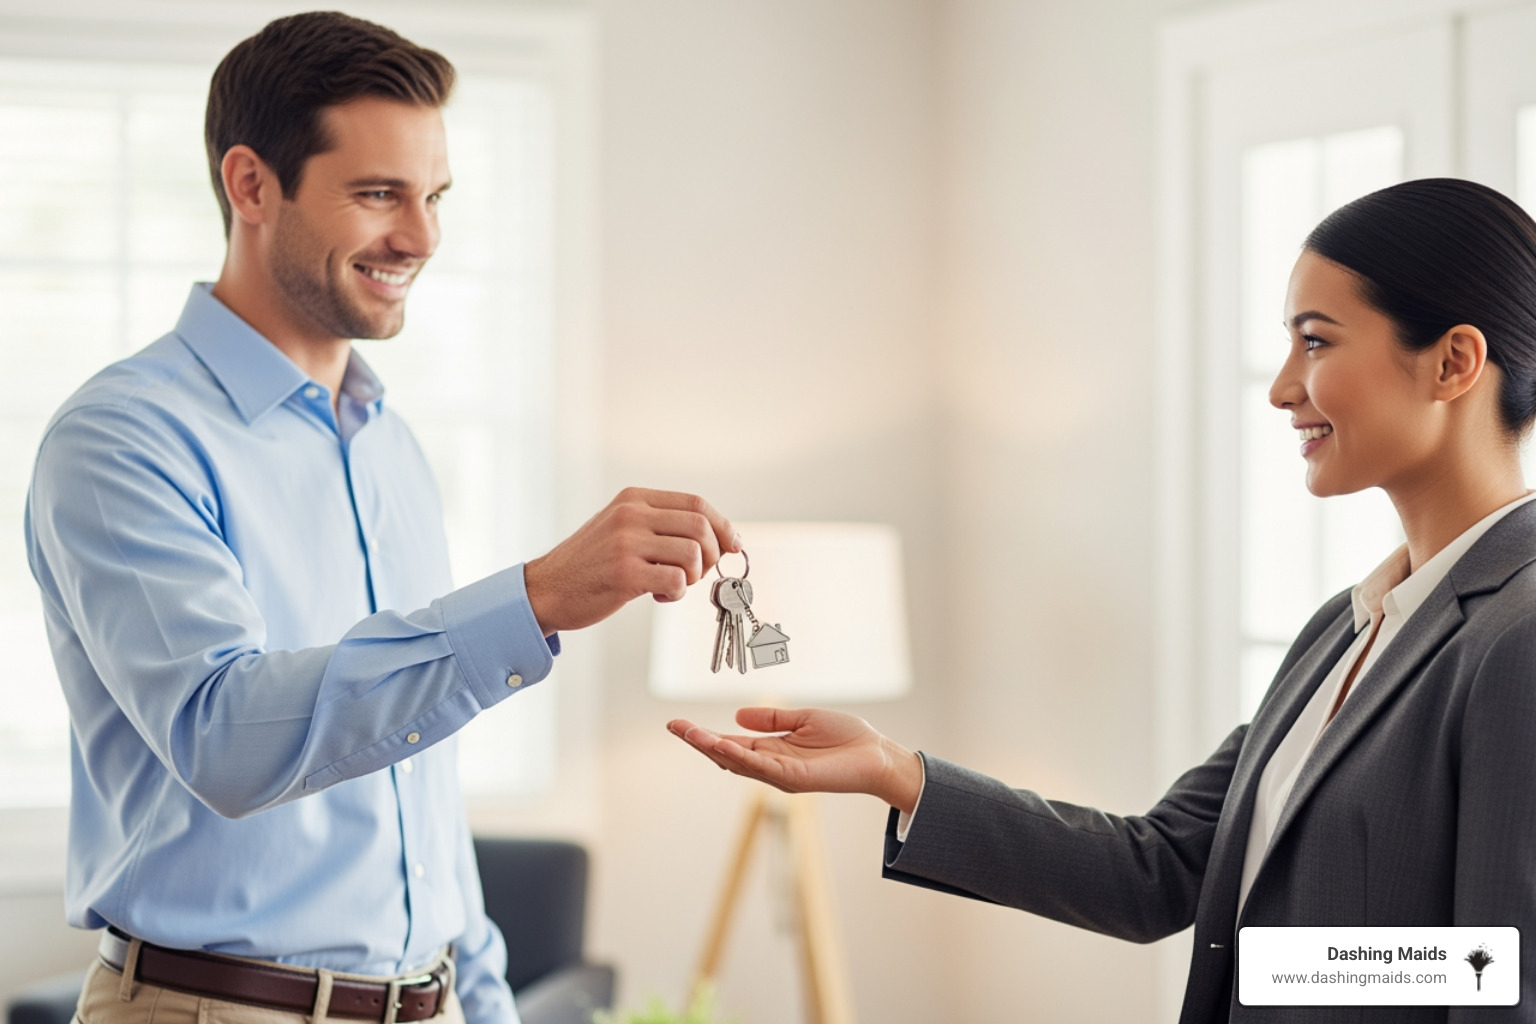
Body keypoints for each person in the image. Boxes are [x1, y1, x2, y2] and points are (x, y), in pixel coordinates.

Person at [669, 177, 1536, 1023]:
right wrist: (895, 772)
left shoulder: (1520, 637)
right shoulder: (1347, 629)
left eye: (1315, 341)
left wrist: (1267, 963)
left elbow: (1498, 975)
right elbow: (1155, 868)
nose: (1280, 386)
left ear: (1453, 362)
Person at [24, 12, 737, 1024]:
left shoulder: (391, 447)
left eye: (434, 196)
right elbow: (224, 736)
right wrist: (535, 599)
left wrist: (481, 998)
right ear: (251, 185)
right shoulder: (122, 438)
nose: (422, 237)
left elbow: (417, 783)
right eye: (378, 194)